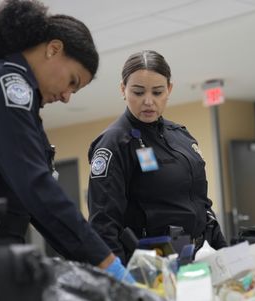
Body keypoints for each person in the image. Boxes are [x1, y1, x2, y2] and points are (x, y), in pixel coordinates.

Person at [0, 0, 133, 282]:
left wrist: (99, 262)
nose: (67, 96)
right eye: (72, 81)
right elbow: (36, 184)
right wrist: (105, 262)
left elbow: (37, 204)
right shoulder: (6, 83)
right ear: (53, 49)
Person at [87, 50, 227, 263]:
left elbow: (201, 203)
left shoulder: (181, 135)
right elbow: (103, 223)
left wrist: (223, 250)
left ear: (169, 89)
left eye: (157, 92)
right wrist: (121, 280)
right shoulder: (114, 143)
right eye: (138, 92)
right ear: (123, 89)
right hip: (152, 261)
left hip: (200, 253)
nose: (148, 101)